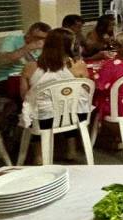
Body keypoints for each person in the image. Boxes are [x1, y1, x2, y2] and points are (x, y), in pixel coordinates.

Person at [19, 28, 90, 158]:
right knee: (71, 103)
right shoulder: (79, 65)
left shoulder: (30, 67)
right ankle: (71, 150)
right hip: (75, 116)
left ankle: (39, 156)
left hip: (43, 118)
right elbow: (86, 90)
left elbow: (24, 96)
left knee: (36, 109)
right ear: (70, 46)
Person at [0, 21, 51, 99]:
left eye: (46, 39)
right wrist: (28, 47)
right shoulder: (12, 40)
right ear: (28, 35)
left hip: (25, 78)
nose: (42, 41)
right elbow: (2, 60)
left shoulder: (44, 46)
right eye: (39, 38)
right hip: (0, 79)